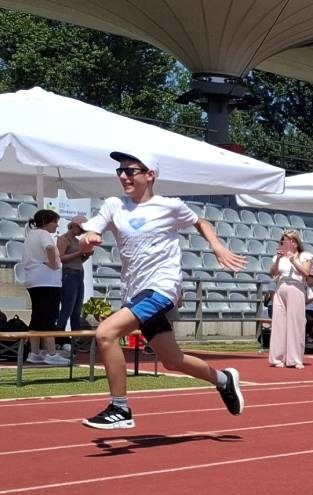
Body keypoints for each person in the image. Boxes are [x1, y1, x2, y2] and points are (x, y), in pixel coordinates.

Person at [77, 150, 244, 428]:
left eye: (130, 170)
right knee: (173, 360)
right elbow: (89, 231)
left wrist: (217, 246)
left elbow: (200, 222)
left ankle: (120, 409)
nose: (123, 176)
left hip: (161, 288)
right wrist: (88, 238)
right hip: (134, 291)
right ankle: (224, 380)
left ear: (150, 175)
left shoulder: (170, 206)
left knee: (105, 333)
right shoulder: (114, 205)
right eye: (120, 170)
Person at [16, 209, 69, 365]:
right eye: (55, 222)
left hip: (34, 280)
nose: (56, 225)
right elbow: (50, 248)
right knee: (49, 316)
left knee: (37, 316)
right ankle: (51, 353)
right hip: (47, 282)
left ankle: (35, 352)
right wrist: (53, 264)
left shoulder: (31, 235)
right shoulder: (44, 234)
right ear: (46, 221)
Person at [267, 229, 313, 369]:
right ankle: (277, 358)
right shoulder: (278, 257)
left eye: (290, 241)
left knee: (295, 323)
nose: (287, 243)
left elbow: (306, 273)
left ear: (296, 243)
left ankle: (295, 359)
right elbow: (272, 274)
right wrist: (280, 259)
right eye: (285, 241)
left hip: (296, 287)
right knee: (278, 323)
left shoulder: (305, 255)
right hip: (281, 287)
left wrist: (294, 261)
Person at [56, 215, 90, 336]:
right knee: (67, 309)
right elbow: (61, 258)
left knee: (76, 310)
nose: (81, 232)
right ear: (73, 226)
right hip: (69, 274)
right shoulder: (63, 239)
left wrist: (87, 254)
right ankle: (59, 337)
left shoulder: (76, 241)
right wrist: (80, 252)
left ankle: (75, 340)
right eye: (80, 229)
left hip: (78, 274)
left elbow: (78, 261)